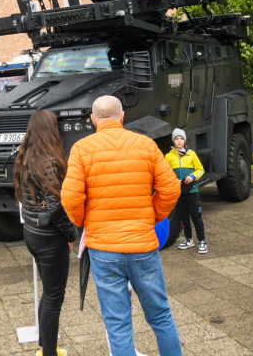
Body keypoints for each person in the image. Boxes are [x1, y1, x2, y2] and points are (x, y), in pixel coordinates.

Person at [61, 95, 182, 356]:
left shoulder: (82, 149)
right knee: (160, 316)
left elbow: (70, 197)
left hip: (103, 249)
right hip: (142, 245)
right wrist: (152, 216)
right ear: (122, 116)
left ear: (93, 120)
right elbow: (171, 188)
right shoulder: (146, 145)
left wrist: (83, 221)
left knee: (117, 323)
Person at [13, 109, 77, 356]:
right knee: (54, 299)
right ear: (50, 130)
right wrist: (70, 235)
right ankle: (49, 353)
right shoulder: (49, 160)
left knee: (49, 295)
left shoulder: (26, 156)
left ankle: (44, 347)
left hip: (32, 232)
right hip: (50, 238)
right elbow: (55, 206)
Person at [165, 128, 207, 253]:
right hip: (179, 192)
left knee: (196, 217)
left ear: (184, 140)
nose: (179, 141)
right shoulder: (168, 156)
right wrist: (174, 179)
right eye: (176, 139)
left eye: (181, 138)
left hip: (192, 191)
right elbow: (165, 173)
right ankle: (189, 239)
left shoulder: (192, 154)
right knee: (183, 217)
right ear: (173, 141)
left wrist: (192, 176)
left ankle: (202, 241)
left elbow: (200, 169)